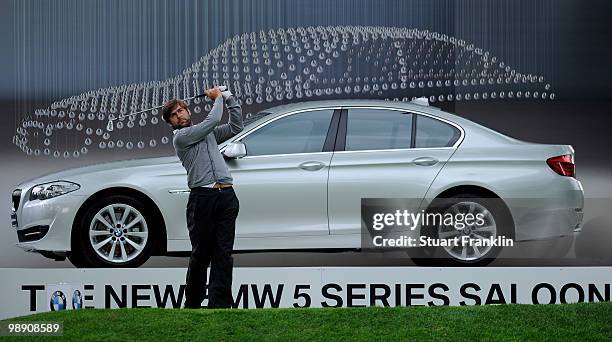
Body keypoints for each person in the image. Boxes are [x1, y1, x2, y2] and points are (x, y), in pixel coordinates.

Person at [162, 86, 243, 309]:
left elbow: (236, 126)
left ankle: (220, 304)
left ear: (188, 111)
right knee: (201, 254)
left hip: (226, 196)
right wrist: (217, 98)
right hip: (202, 199)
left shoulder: (206, 133)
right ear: (171, 123)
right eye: (174, 115)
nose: (179, 115)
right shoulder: (181, 137)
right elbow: (213, 120)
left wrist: (229, 99)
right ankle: (193, 304)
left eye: (181, 110)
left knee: (223, 254)